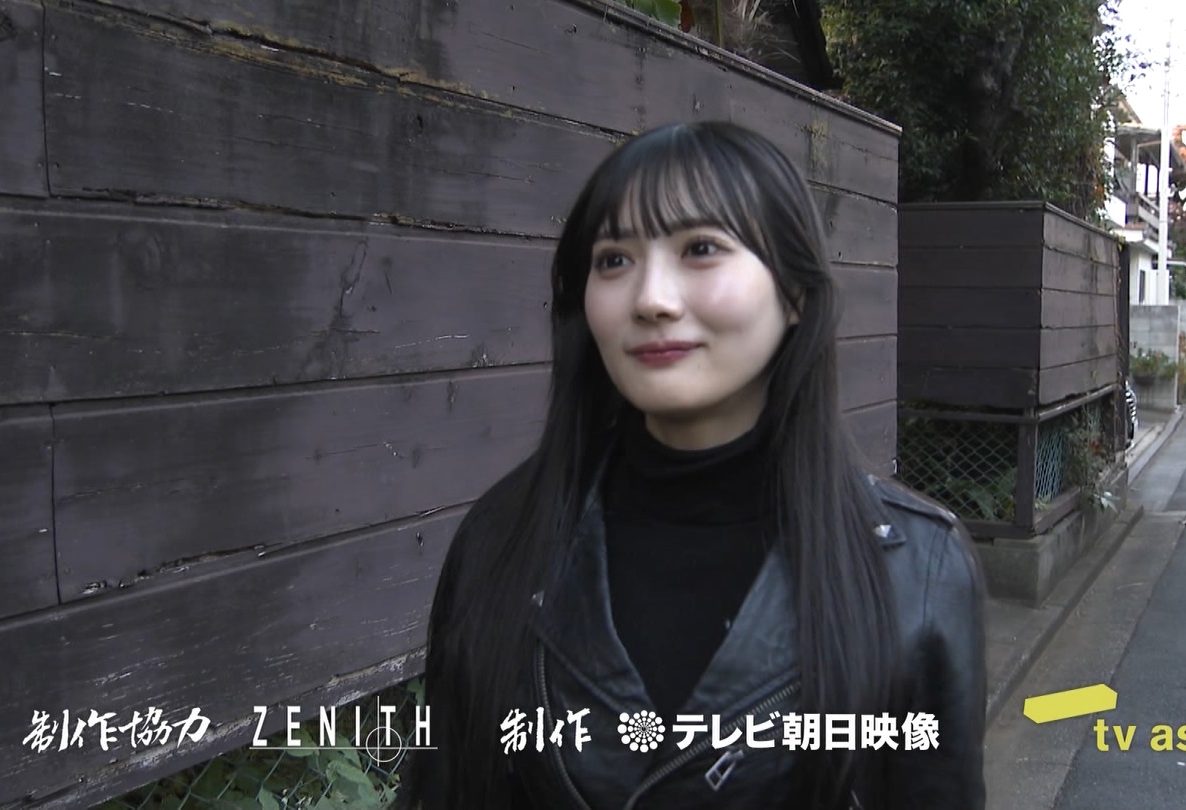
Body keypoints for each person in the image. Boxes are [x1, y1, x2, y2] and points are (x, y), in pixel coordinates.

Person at [396, 120, 987, 810]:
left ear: (795, 293)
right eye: (614, 260)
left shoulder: (918, 569)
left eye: (701, 249)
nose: (652, 299)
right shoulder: (503, 538)